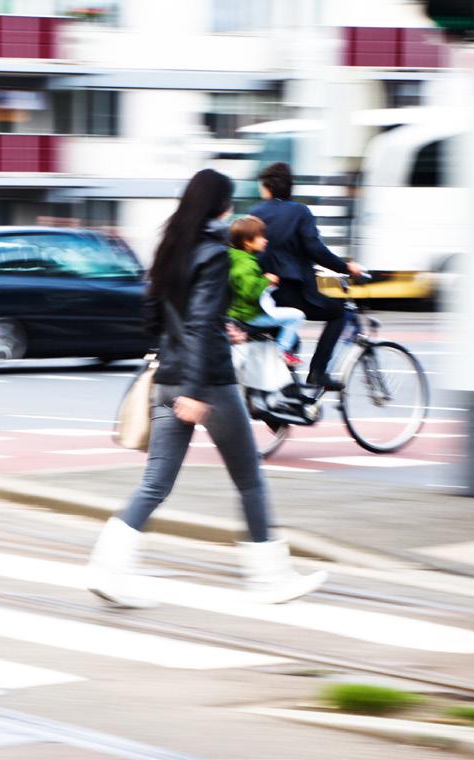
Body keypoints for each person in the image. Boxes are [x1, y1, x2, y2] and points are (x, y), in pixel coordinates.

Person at [86, 169, 327, 606]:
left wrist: (215, 333)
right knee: (250, 478)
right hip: (208, 383)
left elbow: (160, 318)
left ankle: (107, 567)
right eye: (230, 203)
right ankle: (269, 579)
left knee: (156, 484)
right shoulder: (215, 253)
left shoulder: (170, 248)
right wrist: (196, 390)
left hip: (167, 375)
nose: (232, 210)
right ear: (220, 206)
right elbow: (198, 324)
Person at [250, 162, 365, 390]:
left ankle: (281, 399)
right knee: (338, 312)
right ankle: (318, 372)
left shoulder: (255, 214)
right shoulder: (299, 212)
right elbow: (315, 249)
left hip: (262, 292)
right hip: (291, 290)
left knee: (290, 340)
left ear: (266, 187)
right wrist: (345, 267)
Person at [226, 215, 305, 368]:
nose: (265, 240)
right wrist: (266, 281)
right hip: (249, 315)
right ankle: (281, 352)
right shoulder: (245, 263)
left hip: (240, 312)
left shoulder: (237, 258)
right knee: (296, 315)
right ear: (247, 242)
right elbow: (250, 292)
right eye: (260, 237)